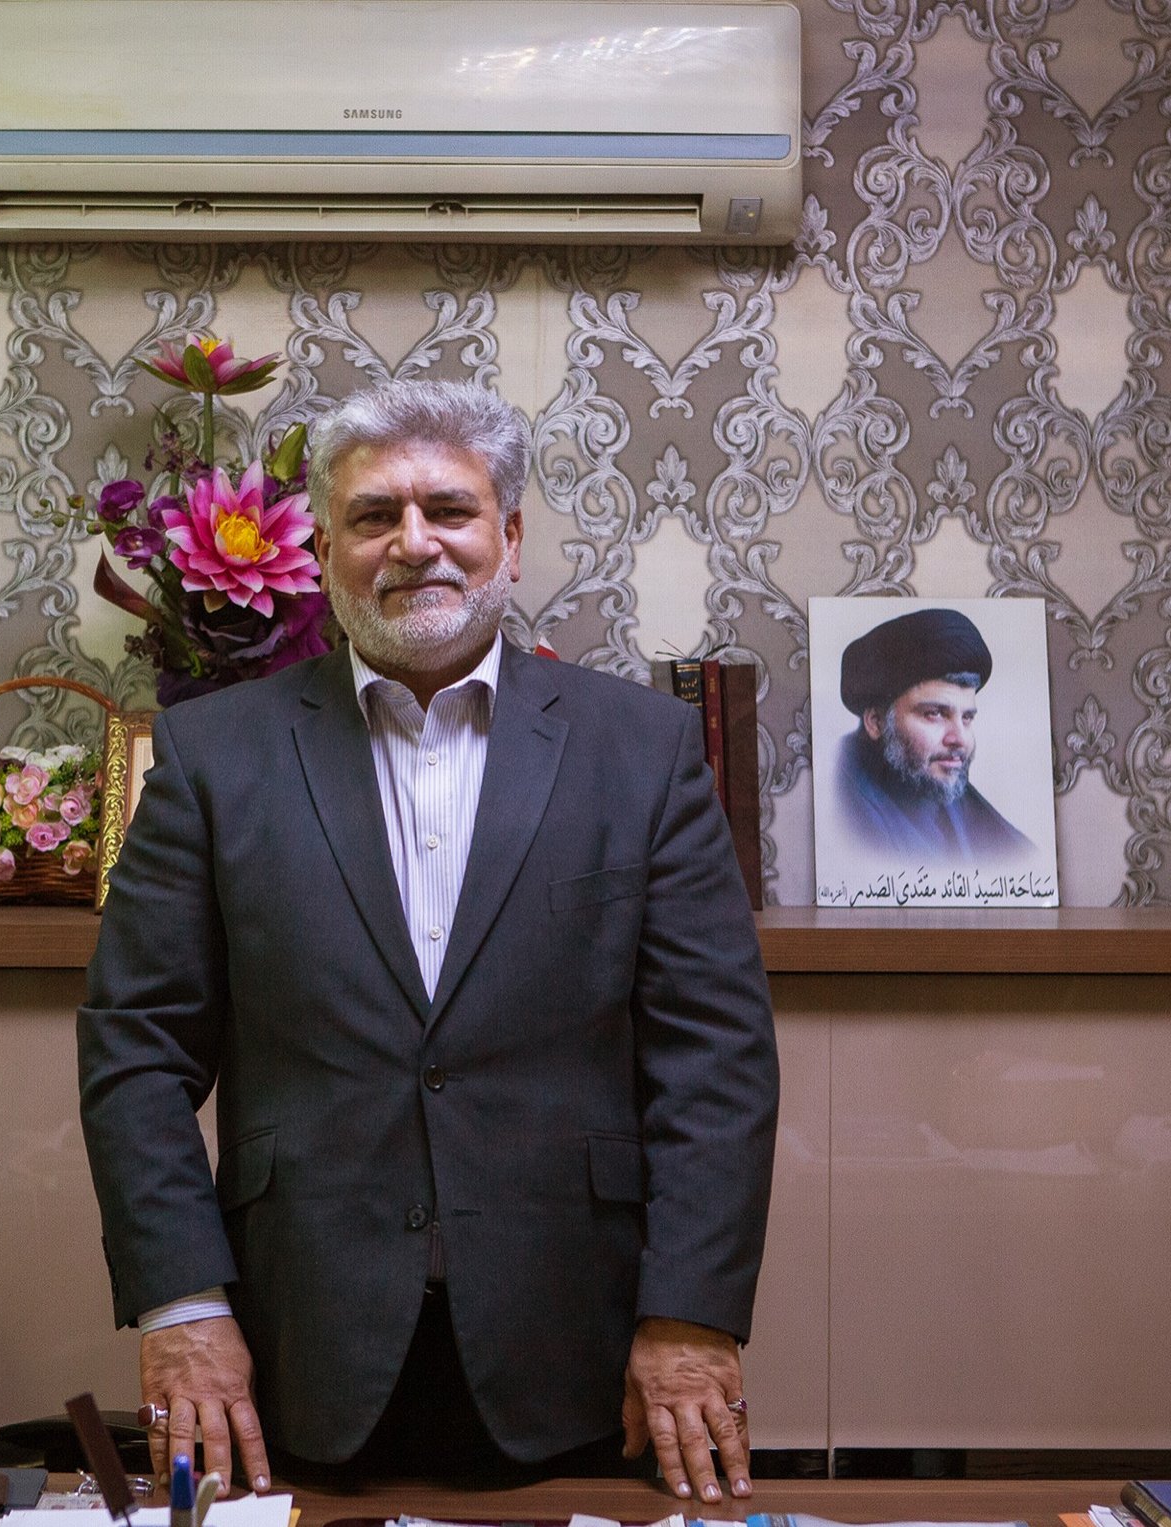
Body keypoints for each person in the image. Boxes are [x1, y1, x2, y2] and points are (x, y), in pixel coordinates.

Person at [78, 380, 777, 1501]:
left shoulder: (642, 753)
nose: (415, 545)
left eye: (450, 511)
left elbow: (716, 1060)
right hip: (295, 1355)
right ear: (323, 550)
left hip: (584, 1352)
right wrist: (183, 1306)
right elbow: (138, 1054)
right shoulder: (215, 759)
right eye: (372, 517)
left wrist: (689, 1313)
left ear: (509, 537)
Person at [828, 607, 1034, 865]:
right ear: (876, 722)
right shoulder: (842, 815)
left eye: (967, 718)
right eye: (935, 714)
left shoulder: (955, 800)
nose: (959, 738)